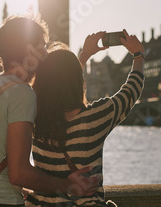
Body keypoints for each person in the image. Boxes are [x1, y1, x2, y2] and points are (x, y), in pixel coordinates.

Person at [0, 15, 99, 206]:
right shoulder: (22, 93)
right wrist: (67, 185)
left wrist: (83, 57)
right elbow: (19, 173)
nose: (46, 53)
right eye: (43, 46)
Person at [25, 30, 145, 206]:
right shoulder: (96, 117)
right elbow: (132, 89)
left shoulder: (33, 117)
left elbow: (58, 83)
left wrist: (84, 55)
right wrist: (138, 55)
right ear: (79, 80)